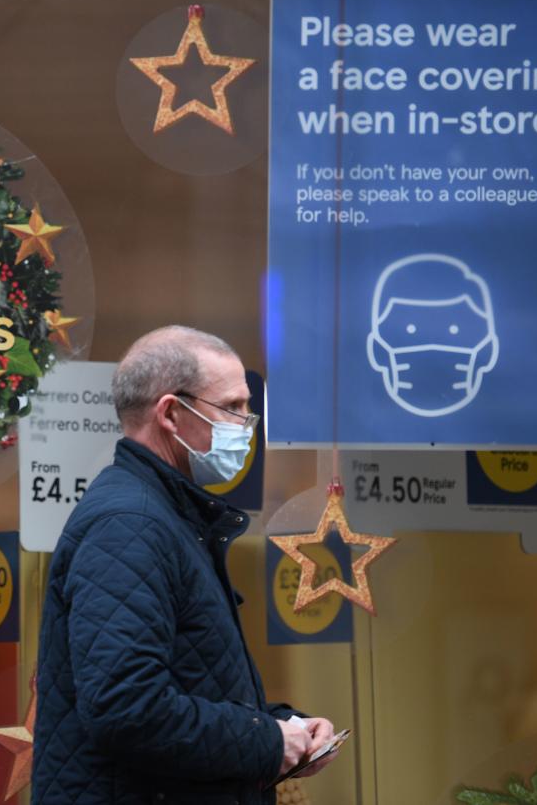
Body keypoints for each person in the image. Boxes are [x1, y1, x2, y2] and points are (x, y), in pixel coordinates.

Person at [32, 326, 338, 804]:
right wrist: (267, 741)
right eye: (233, 407)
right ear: (172, 413)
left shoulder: (165, 516)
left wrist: (280, 727)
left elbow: (188, 683)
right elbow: (127, 707)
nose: (247, 423)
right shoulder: (129, 524)